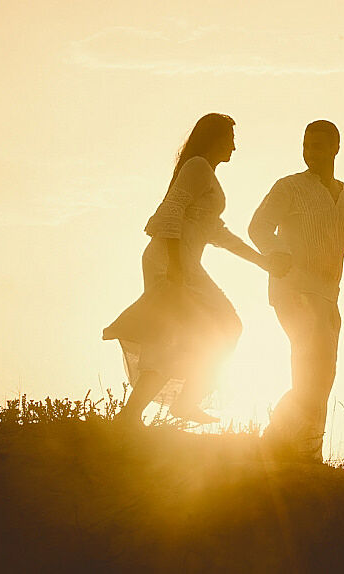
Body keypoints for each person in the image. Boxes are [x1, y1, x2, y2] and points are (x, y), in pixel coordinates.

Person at [104, 113, 279, 427]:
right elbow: (170, 210)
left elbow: (217, 232)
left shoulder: (206, 174)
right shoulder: (197, 167)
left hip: (181, 262)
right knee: (222, 327)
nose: (235, 148)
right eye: (231, 139)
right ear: (215, 139)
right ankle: (179, 403)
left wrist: (263, 262)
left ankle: (133, 416)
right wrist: (174, 268)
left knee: (176, 338)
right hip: (171, 262)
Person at [249, 119, 344, 462]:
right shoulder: (288, 187)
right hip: (292, 289)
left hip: (329, 296)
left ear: (335, 148)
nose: (310, 151)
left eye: (318, 145)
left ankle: (302, 451)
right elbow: (259, 226)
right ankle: (288, 446)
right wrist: (276, 252)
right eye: (306, 144)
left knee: (323, 375)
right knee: (310, 364)